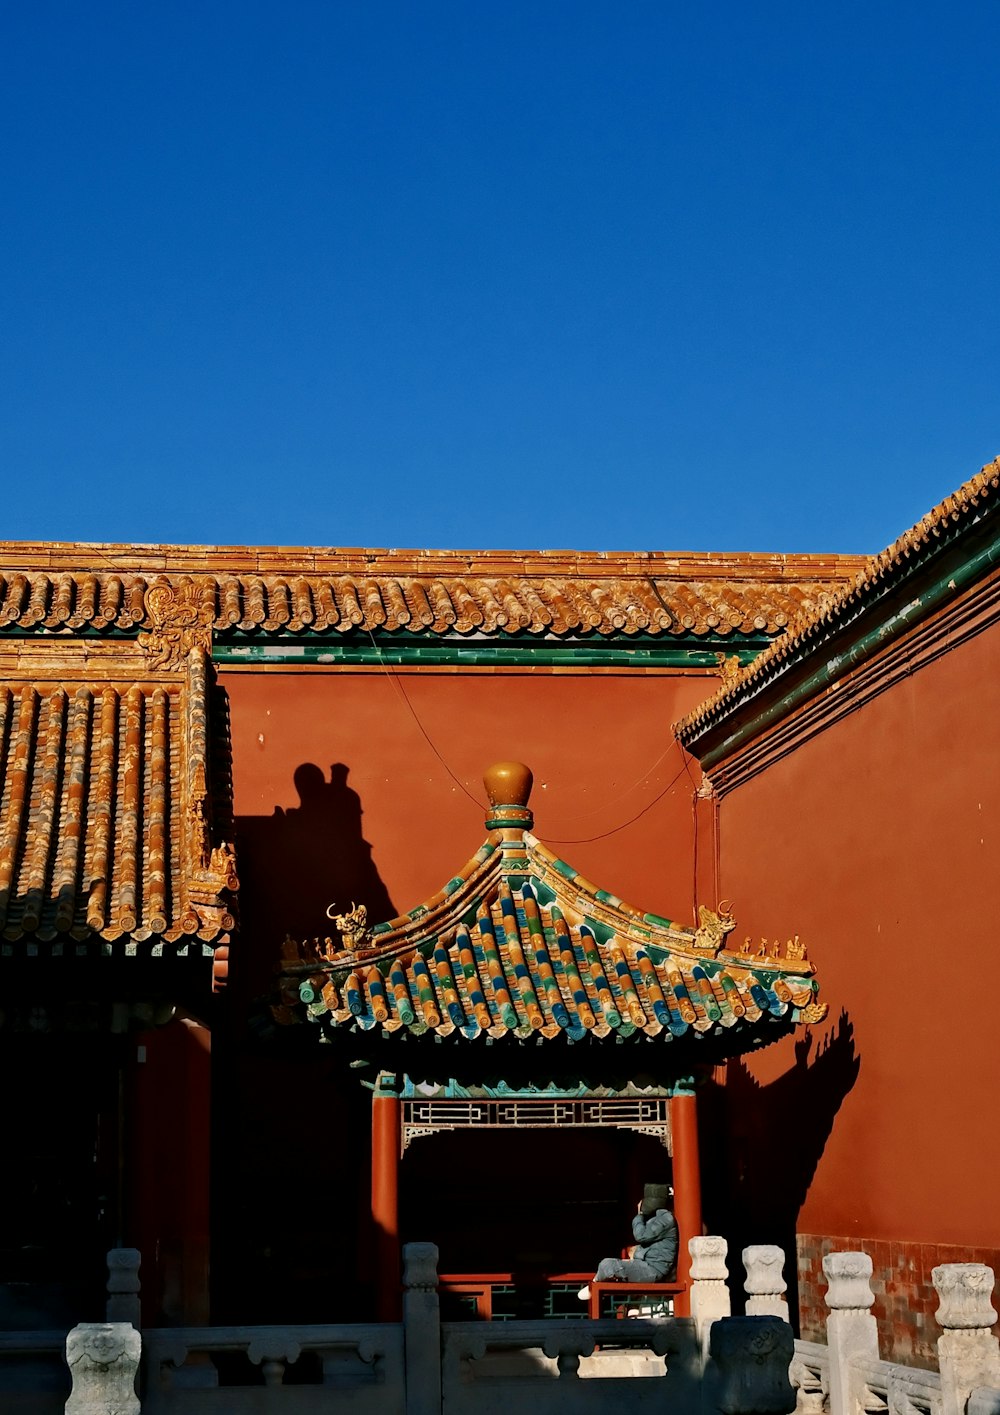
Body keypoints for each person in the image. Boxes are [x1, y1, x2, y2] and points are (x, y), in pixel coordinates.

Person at [578, 1184, 678, 1299]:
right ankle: (598, 1285)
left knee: (608, 1265)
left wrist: (639, 1215)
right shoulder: (657, 1217)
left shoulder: (666, 1219)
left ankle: (594, 1285)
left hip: (653, 1269)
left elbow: (641, 1235)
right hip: (645, 1265)